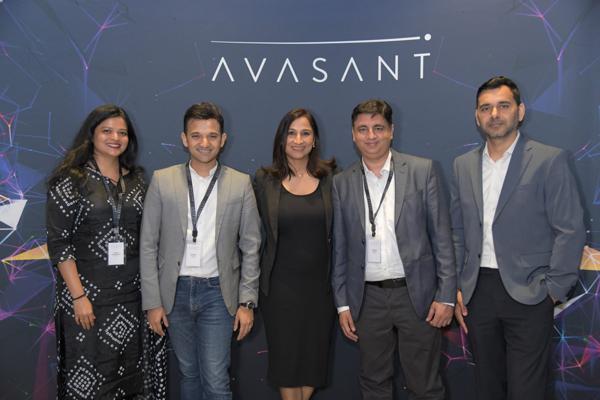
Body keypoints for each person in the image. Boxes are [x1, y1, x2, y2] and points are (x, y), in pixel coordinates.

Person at [450, 76, 586, 400]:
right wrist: (456, 285)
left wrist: (553, 291)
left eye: (503, 106)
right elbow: (457, 231)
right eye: (486, 108)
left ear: (520, 111)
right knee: (487, 387)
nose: (494, 114)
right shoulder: (462, 166)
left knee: (528, 391)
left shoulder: (549, 159)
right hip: (477, 294)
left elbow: (570, 229)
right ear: (477, 116)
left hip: (530, 293)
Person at [331, 99, 456, 400]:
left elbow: (441, 237)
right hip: (367, 299)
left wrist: (446, 295)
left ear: (391, 131)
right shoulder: (341, 183)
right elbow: (340, 248)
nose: (370, 136)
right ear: (353, 134)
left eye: (378, 128)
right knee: (374, 382)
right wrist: (343, 304)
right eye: (363, 129)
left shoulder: (422, 171)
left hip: (418, 296)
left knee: (424, 385)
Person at [140, 102, 261, 400]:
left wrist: (247, 302)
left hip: (218, 294)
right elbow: (148, 244)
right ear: (184, 139)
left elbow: (251, 246)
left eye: (212, 136)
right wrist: (152, 302)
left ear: (223, 139)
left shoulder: (240, 183)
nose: (204, 143)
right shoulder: (162, 180)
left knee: (216, 379)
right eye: (196, 135)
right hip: (175, 293)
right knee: (189, 373)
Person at [47, 104, 165, 399]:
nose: (115, 138)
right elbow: (59, 244)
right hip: (88, 301)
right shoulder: (71, 180)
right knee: (89, 380)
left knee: (132, 378)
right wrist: (78, 297)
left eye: (122, 133)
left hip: (133, 299)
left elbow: (149, 237)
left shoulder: (137, 180)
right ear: (92, 134)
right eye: (107, 131)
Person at [254, 109, 336, 400]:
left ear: (315, 140)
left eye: (305, 133)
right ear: (281, 139)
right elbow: (252, 235)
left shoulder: (332, 178)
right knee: (286, 364)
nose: (298, 140)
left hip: (321, 290)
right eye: (291, 133)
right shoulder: (264, 180)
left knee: (314, 363)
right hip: (279, 290)